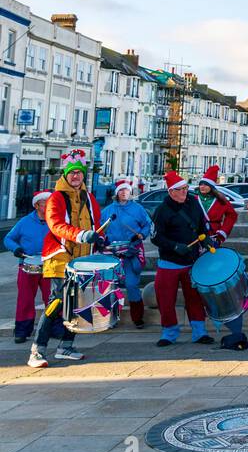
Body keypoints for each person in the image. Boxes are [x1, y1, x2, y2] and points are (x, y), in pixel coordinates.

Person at [29, 148, 104, 369]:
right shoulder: (56, 198)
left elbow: (95, 222)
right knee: (57, 302)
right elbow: (56, 225)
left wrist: (99, 237)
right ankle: (37, 350)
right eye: (72, 173)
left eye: (79, 173)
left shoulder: (89, 197)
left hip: (83, 258)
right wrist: (81, 235)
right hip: (60, 257)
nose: (75, 176)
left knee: (77, 305)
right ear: (65, 175)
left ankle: (65, 347)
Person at [151, 170, 213, 348]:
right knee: (165, 299)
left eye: (186, 188)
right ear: (171, 192)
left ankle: (199, 332)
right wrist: (174, 246)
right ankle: (169, 333)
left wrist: (206, 239)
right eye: (181, 189)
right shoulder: (162, 210)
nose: (185, 191)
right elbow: (155, 237)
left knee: (194, 298)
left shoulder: (193, 203)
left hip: (192, 261)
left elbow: (201, 227)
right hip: (169, 262)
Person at [104, 178, 152, 329]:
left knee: (132, 285)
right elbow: (99, 229)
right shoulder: (107, 211)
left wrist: (141, 235)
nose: (124, 193)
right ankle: (109, 318)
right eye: (121, 190)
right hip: (112, 254)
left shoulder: (138, 209)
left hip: (131, 252)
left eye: (127, 190)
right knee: (109, 287)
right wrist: (103, 241)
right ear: (116, 193)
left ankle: (137, 318)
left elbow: (147, 224)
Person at [4, 190, 52, 344]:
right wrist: (16, 249)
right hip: (28, 264)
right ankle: (22, 330)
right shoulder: (24, 222)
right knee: (25, 299)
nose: (49, 205)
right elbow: (8, 238)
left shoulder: (54, 221)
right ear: (37, 205)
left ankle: (54, 327)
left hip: (50, 264)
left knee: (51, 298)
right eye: (45, 202)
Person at [195, 164, 238, 245]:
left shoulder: (220, 200)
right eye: (201, 184)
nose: (202, 187)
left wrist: (223, 231)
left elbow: (232, 215)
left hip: (214, 236)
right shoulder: (194, 199)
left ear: (211, 186)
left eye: (205, 184)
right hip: (196, 236)